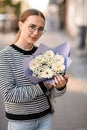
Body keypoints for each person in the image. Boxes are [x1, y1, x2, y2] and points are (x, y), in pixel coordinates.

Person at [0, 8, 69, 130]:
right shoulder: (5, 56)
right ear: (20, 25)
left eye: (41, 29)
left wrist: (60, 87)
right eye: (32, 26)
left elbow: (51, 92)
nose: (36, 32)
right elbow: (9, 95)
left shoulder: (44, 54)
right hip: (20, 123)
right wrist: (43, 86)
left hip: (45, 119)